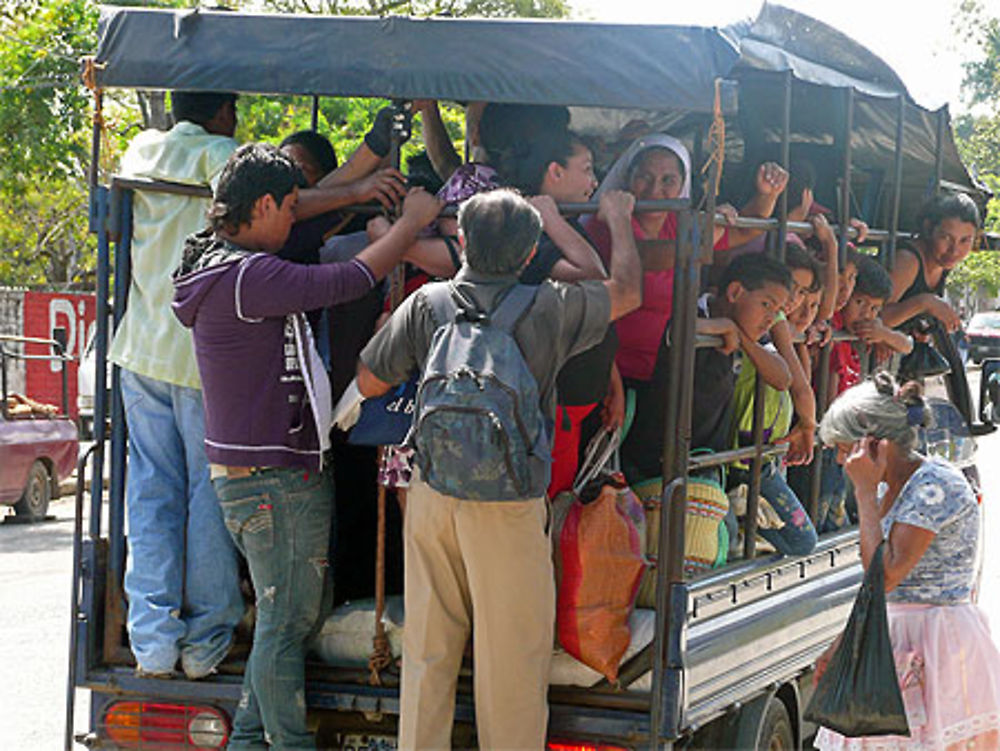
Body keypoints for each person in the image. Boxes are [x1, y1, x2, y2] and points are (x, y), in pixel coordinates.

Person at [171, 143, 442, 750]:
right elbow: (350, 278)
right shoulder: (248, 276)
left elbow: (319, 231)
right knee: (286, 623)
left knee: (284, 618)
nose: (297, 217)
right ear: (263, 204)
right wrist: (410, 225)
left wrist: (355, 192)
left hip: (260, 475)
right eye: (290, 206)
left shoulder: (225, 267)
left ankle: (245, 739)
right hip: (275, 479)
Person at [355, 188, 642, 751]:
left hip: (432, 493)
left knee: (428, 654)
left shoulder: (429, 304)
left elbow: (369, 383)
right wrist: (620, 221)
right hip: (510, 505)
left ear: (463, 241)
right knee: (510, 664)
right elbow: (628, 291)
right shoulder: (551, 305)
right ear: (530, 249)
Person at [109, 90, 245, 679]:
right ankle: (205, 643)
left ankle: (154, 644)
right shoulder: (222, 155)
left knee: (150, 495)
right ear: (223, 112)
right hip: (202, 358)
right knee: (207, 498)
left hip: (140, 349)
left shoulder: (141, 148)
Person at [813, 372, 1000, 750]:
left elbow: (885, 574)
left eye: (842, 446)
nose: (838, 458)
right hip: (896, 639)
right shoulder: (890, 485)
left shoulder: (934, 486)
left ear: (873, 443)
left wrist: (864, 492)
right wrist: (844, 644)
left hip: (937, 645)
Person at [622, 251, 794, 483]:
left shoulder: (749, 334)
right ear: (734, 292)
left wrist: (740, 338)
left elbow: (783, 378)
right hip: (655, 462)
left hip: (707, 465)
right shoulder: (691, 309)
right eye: (766, 305)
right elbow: (679, 329)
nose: (769, 319)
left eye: (776, 312)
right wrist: (719, 327)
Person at [881, 192, 980, 333]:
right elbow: (874, 316)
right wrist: (925, 302)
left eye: (965, 240)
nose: (954, 250)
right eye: (946, 237)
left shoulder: (943, 262)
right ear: (928, 228)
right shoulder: (908, 261)